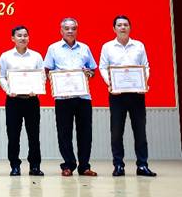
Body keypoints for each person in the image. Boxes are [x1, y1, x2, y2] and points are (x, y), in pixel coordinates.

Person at [98, 15, 156, 177]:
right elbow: (103, 67)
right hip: (117, 95)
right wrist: (110, 84)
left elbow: (146, 66)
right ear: (114, 28)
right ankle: (118, 165)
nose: (122, 27)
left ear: (130, 27)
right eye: (119, 25)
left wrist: (143, 83)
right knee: (116, 131)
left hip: (137, 94)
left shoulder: (139, 45)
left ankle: (142, 165)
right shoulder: (107, 47)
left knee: (140, 131)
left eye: (125, 25)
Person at [44, 17, 98, 177]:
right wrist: (54, 78)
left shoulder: (85, 48)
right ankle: (68, 165)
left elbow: (93, 70)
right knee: (64, 132)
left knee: (85, 133)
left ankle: (84, 166)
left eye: (73, 28)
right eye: (66, 28)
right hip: (63, 98)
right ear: (61, 31)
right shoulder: (53, 48)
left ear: (77, 30)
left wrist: (89, 73)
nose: (70, 31)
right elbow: (47, 70)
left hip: (83, 97)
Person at [0, 25, 44, 176]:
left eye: (25, 35)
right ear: (13, 38)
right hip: (13, 100)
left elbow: (42, 76)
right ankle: (14, 166)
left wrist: (36, 89)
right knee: (13, 135)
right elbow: (1, 77)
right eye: (19, 35)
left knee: (34, 135)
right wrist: (8, 90)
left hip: (32, 100)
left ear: (28, 38)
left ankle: (35, 166)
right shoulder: (6, 56)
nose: (22, 38)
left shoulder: (36, 56)